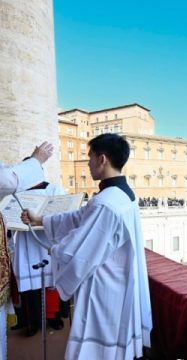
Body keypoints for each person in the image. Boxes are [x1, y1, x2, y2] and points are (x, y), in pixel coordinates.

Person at [22, 134, 152, 360]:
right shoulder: (120, 194)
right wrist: (40, 219)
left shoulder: (106, 202)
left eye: (90, 157)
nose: (88, 163)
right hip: (117, 280)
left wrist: (56, 249)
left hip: (104, 287)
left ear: (102, 159)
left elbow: (81, 250)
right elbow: (79, 217)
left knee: (98, 349)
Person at [0, 141, 53, 360]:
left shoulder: (53, 188)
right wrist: (36, 160)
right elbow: (7, 180)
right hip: (25, 243)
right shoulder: (16, 188)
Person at [11, 174, 66, 336]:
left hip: (47, 240)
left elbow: (64, 212)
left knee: (51, 284)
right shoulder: (18, 193)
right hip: (27, 242)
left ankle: (53, 318)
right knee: (30, 288)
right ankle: (31, 322)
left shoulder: (55, 189)